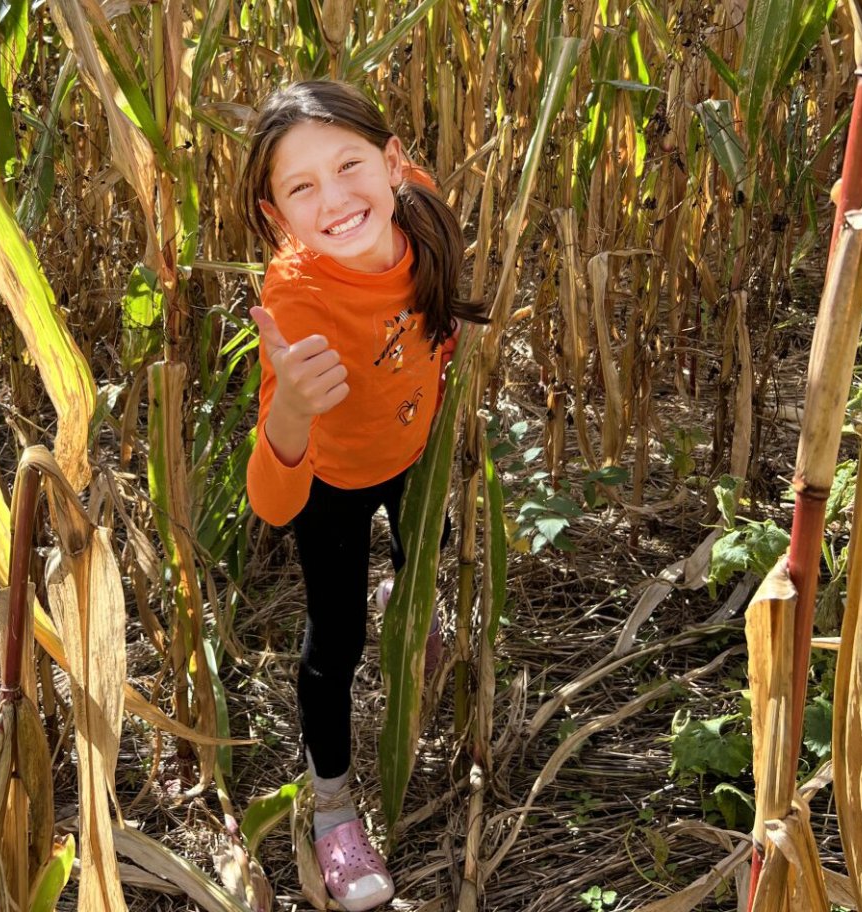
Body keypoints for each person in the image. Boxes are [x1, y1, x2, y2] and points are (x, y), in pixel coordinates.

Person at [237, 80, 489, 911]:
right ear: (277, 216)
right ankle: (336, 810)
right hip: (333, 487)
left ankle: (410, 607)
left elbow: (434, 329)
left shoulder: (423, 225)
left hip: (413, 458)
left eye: (349, 166)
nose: (335, 198)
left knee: (431, 559)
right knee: (336, 641)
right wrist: (294, 411)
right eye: (300, 186)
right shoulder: (296, 298)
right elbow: (272, 502)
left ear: (393, 163)